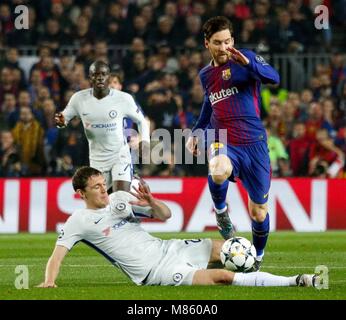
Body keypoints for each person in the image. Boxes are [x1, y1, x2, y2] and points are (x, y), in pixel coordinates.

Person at [38, 166, 318, 288]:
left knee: (226, 248)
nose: (103, 190)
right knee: (220, 276)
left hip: (167, 248)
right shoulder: (79, 221)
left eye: (103, 184)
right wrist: (50, 280)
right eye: (96, 187)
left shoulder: (120, 201)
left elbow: (166, 214)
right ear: (81, 193)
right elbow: (57, 255)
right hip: (156, 271)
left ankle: (255, 271)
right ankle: (294, 281)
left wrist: (151, 201)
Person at [186, 16, 280, 271]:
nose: (224, 47)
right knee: (218, 167)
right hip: (224, 139)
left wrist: (249, 64)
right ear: (207, 43)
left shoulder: (245, 59)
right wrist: (196, 132)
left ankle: (257, 259)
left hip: (255, 143)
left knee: (259, 211)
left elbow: (275, 78)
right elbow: (210, 103)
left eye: (228, 41)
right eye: (218, 42)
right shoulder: (206, 74)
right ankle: (220, 212)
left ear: (233, 41)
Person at [55, 60, 150, 192]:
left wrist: (144, 141)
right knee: (106, 204)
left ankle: (131, 186)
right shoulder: (79, 98)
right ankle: (137, 201)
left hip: (120, 156)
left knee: (120, 198)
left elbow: (142, 121)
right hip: (97, 159)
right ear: (90, 78)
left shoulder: (124, 99)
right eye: (95, 74)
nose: (100, 77)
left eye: (103, 74)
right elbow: (64, 117)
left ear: (108, 76)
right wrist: (60, 121)